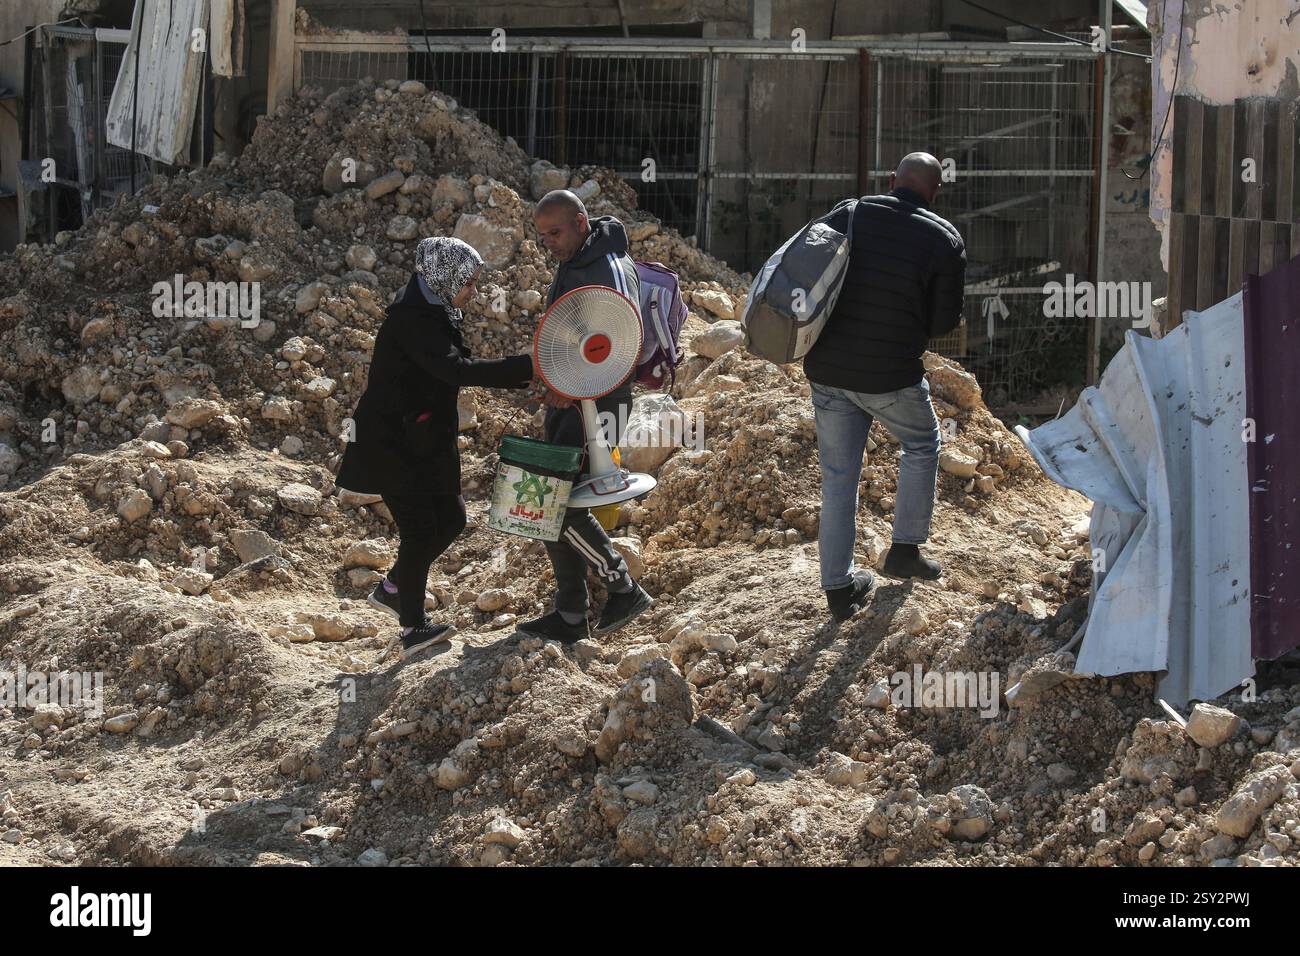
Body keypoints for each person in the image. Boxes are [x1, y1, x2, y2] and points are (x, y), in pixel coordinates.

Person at [335, 237, 535, 659]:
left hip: (423, 440)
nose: (473, 292)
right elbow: (453, 369)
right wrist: (527, 366)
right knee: (420, 529)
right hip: (392, 443)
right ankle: (410, 630)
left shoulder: (438, 312)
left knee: (452, 518)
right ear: (445, 277)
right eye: (469, 282)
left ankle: (392, 589)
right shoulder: (411, 319)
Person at [802, 152, 966, 622]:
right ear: (934, 194)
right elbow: (942, 323)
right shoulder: (944, 239)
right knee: (921, 443)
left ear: (891, 181)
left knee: (838, 477)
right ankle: (905, 549)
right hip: (891, 375)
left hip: (828, 372)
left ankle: (837, 587)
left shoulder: (849, 213)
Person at [515, 189, 653, 644]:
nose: (548, 243)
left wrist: (567, 386)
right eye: (542, 236)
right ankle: (570, 614)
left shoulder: (609, 269)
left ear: (580, 221)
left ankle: (623, 587)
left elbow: (616, 347)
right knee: (542, 500)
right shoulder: (575, 259)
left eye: (554, 232)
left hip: (598, 403)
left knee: (553, 500)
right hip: (571, 398)